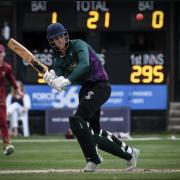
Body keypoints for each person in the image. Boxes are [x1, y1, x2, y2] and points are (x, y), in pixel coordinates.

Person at [43, 23, 140, 172]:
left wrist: (67, 80)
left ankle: (93, 159)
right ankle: (130, 153)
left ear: (66, 35)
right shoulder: (57, 56)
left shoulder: (78, 45)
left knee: (76, 120)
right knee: (94, 133)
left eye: (61, 36)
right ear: (52, 42)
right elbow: (59, 79)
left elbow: (85, 65)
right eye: (55, 39)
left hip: (100, 86)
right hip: (86, 89)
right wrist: (52, 79)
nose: (59, 41)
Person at [0, 44, 24, 155]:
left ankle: (7, 145)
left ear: (4, 53)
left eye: (0, 53)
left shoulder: (7, 68)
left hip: (1, 99)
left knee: (3, 122)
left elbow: (13, 81)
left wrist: (18, 91)